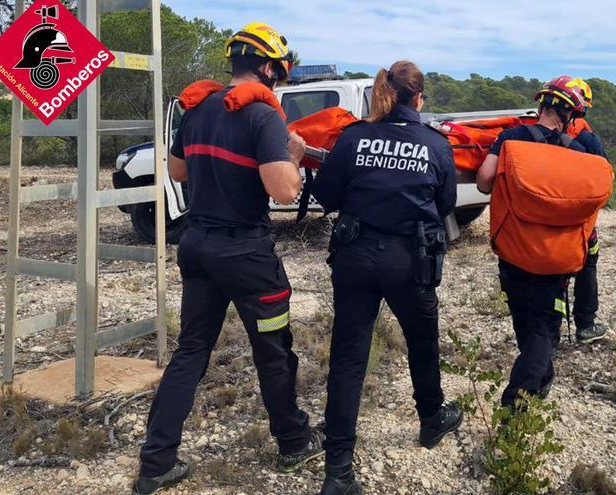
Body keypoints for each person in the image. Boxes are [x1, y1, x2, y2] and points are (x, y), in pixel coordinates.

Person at [132, 23, 323, 495]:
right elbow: (282, 191)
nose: (279, 80)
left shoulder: (198, 110)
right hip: (245, 254)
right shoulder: (262, 116)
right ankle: (294, 442)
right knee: (273, 349)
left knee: (191, 351)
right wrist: (293, 155)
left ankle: (156, 462)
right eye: (279, 71)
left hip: (197, 245)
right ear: (266, 67)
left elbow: (176, 169)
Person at [312, 60, 462, 495]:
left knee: (348, 358)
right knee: (422, 340)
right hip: (408, 260)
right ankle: (431, 418)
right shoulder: (435, 144)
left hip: (355, 257)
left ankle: (338, 471)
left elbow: (326, 194)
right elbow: (447, 201)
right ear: (418, 99)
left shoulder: (354, 137)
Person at [475, 75, 596, 407]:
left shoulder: (511, 138)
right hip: (557, 256)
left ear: (542, 105)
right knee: (542, 326)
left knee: (528, 324)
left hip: (514, 251)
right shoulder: (580, 151)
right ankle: (540, 379)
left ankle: (517, 401)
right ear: (569, 115)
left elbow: (485, 182)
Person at [565, 77, 609, 344]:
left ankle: (545, 330)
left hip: (541, 220)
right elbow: (605, 182)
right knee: (586, 266)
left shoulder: (532, 136)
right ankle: (585, 324)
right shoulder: (588, 140)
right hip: (580, 223)